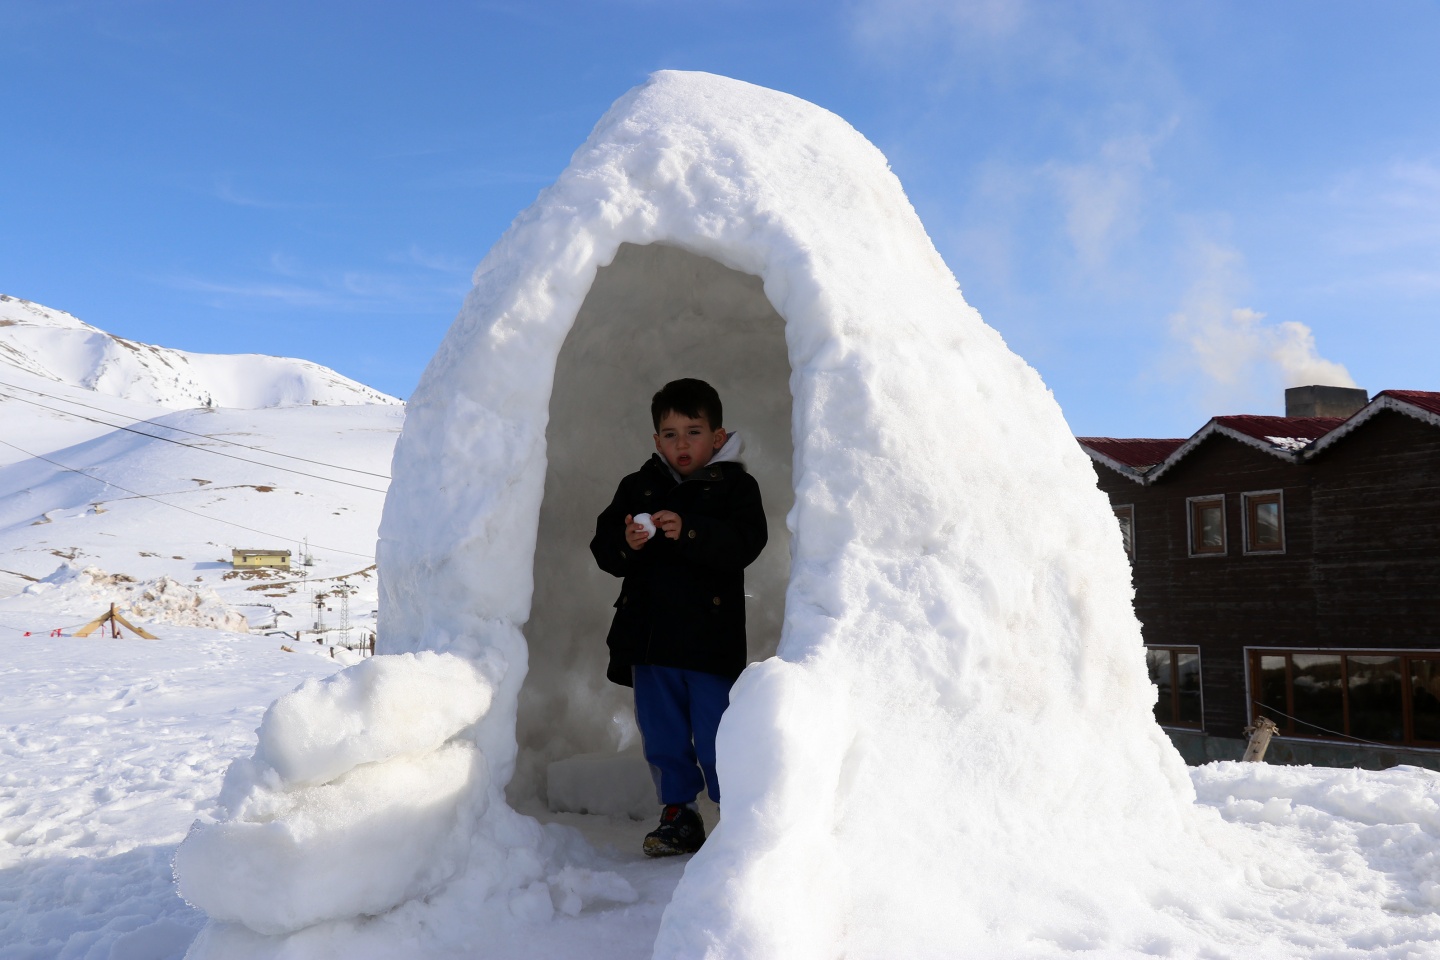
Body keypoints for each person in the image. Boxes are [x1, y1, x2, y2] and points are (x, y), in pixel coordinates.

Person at [589, 378, 768, 857]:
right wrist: (626, 542)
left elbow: (745, 544)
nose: (681, 444)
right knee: (663, 734)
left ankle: (736, 815)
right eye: (670, 434)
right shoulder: (638, 487)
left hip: (710, 643)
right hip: (649, 641)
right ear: (655, 441)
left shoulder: (735, 487)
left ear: (717, 436)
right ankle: (678, 814)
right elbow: (604, 548)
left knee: (717, 733)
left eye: (693, 431)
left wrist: (690, 532)